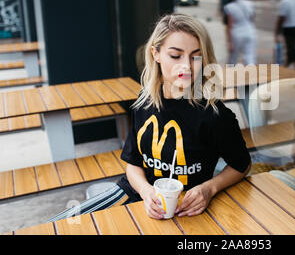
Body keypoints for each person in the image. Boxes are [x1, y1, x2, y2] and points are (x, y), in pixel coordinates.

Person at [47, 14, 251, 221]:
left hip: (186, 210)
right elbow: (133, 165)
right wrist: (146, 192)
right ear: (156, 53)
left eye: (195, 56)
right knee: (57, 225)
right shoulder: (144, 103)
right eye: (175, 56)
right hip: (135, 194)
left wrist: (209, 188)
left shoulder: (215, 115)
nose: (187, 66)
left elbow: (242, 164)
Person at [224, 0, 257, 65]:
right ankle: (252, 75)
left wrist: (229, 41)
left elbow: (229, 25)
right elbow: (252, 19)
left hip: (236, 34)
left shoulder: (229, 7)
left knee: (233, 58)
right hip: (250, 32)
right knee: (249, 56)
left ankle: (230, 75)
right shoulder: (250, 3)